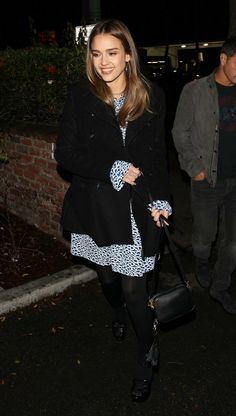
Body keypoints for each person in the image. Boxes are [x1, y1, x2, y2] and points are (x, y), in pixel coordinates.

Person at [54, 19, 172, 402]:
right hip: (97, 207)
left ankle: (145, 358)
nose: (104, 62)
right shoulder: (81, 95)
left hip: (137, 211)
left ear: (127, 56)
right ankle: (117, 312)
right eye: (96, 53)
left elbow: (156, 158)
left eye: (112, 52)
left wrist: (161, 199)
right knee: (109, 281)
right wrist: (111, 169)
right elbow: (67, 155)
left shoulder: (152, 95)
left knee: (136, 290)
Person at [172, 37, 236, 315]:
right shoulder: (194, 90)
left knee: (233, 242)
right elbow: (179, 132)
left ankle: (220, 286)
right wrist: (193, 168)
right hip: (206, 180)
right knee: (204, 236)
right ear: (224, 59)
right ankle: (200, 262)